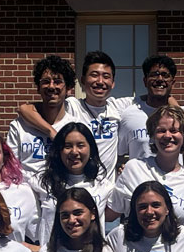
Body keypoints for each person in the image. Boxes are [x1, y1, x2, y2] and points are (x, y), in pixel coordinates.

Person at [14, 50, 131, 167]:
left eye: (106, 77)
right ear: (83, 80)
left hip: (107, 184)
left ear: (113, 83)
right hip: (76, 180)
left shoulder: (118, 108)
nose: (100, 81)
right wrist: (52, 132)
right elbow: (24, 109)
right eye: (94, 75)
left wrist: (120, 162)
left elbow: (145, 103)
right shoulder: (72, 105)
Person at [113, 105, 184, 238]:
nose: (167, 136)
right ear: (152, 136)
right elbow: (111, 214)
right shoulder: (133, 168)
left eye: (174, 130)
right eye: (161, 130)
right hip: (134, 250)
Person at [34, 121, 116, 237]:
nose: (74, 152)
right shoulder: (42, 183)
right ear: (59, 151)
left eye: (80, 145)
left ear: (90, 149)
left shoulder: (104, 186)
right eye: (68, 146)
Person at [9, 55, 77, 187]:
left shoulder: (75, 126)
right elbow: (9, 166)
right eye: (46, 81)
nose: (51, 86)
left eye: (57, 81)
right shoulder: (19, 126)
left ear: (68, 87)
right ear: (38, 87)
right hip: (27, 194)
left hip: (62, 193)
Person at [117, 54, 179, 165]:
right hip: (140, 181)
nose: (160, 79)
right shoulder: (129, 115)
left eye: (165, 75)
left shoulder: (181, 117)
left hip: (174, 181)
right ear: (145, 81)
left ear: (172, 82)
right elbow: (119, 155)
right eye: (154, 75)